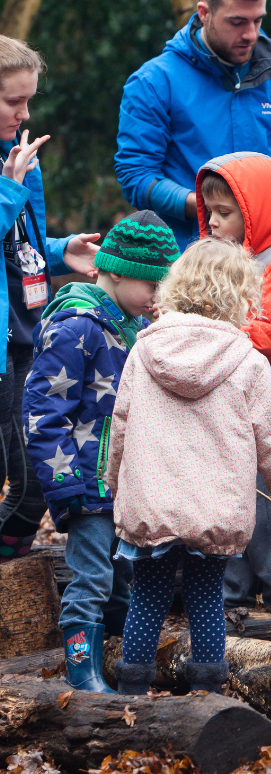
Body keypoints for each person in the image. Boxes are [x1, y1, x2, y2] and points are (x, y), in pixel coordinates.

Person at [108, 238, 271, 696]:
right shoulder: (247, 362)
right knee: (205, 600)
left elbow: (119, 426)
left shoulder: (143, 353)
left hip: (152, 504)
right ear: (241, 297)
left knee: (147, 597)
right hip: (213, 511)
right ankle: (207, 696)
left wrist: (113, 484)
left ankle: (129, 699)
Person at [23, 212, 180, 692]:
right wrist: (67, 483)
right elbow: (43, 415)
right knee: (90, 579)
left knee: (119, 580)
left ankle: (116, 661)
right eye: (152, 283)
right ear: (113, 271)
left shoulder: (131, 330)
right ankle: (82, 674)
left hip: (124, 487)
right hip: (87, 485)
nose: (158, 296)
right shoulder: (77, 326)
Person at [114, 0, 271, 251]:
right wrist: (211, 209)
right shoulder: (153, 81)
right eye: (237, 22)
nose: (250, 34)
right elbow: (137, 175)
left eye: (257, 20)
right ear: (204, 13)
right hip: (193, 260)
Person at [195, 152, 271, 608]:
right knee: (231, 515)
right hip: (232, 420)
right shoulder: (230, 264)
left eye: (226, 214)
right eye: (210, 213)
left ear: (255, 212)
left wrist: (206, 330)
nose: (215, 223)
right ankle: (233, 612)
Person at [0, 35, 101, 562]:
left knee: (32, 481)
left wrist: (64, 251)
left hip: (25, 330)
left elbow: (20, 245)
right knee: (18, 477)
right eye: (13, 102)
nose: (24, 113)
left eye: (28, 100)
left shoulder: (18, 155)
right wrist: (10, 188)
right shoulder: (13, 171)